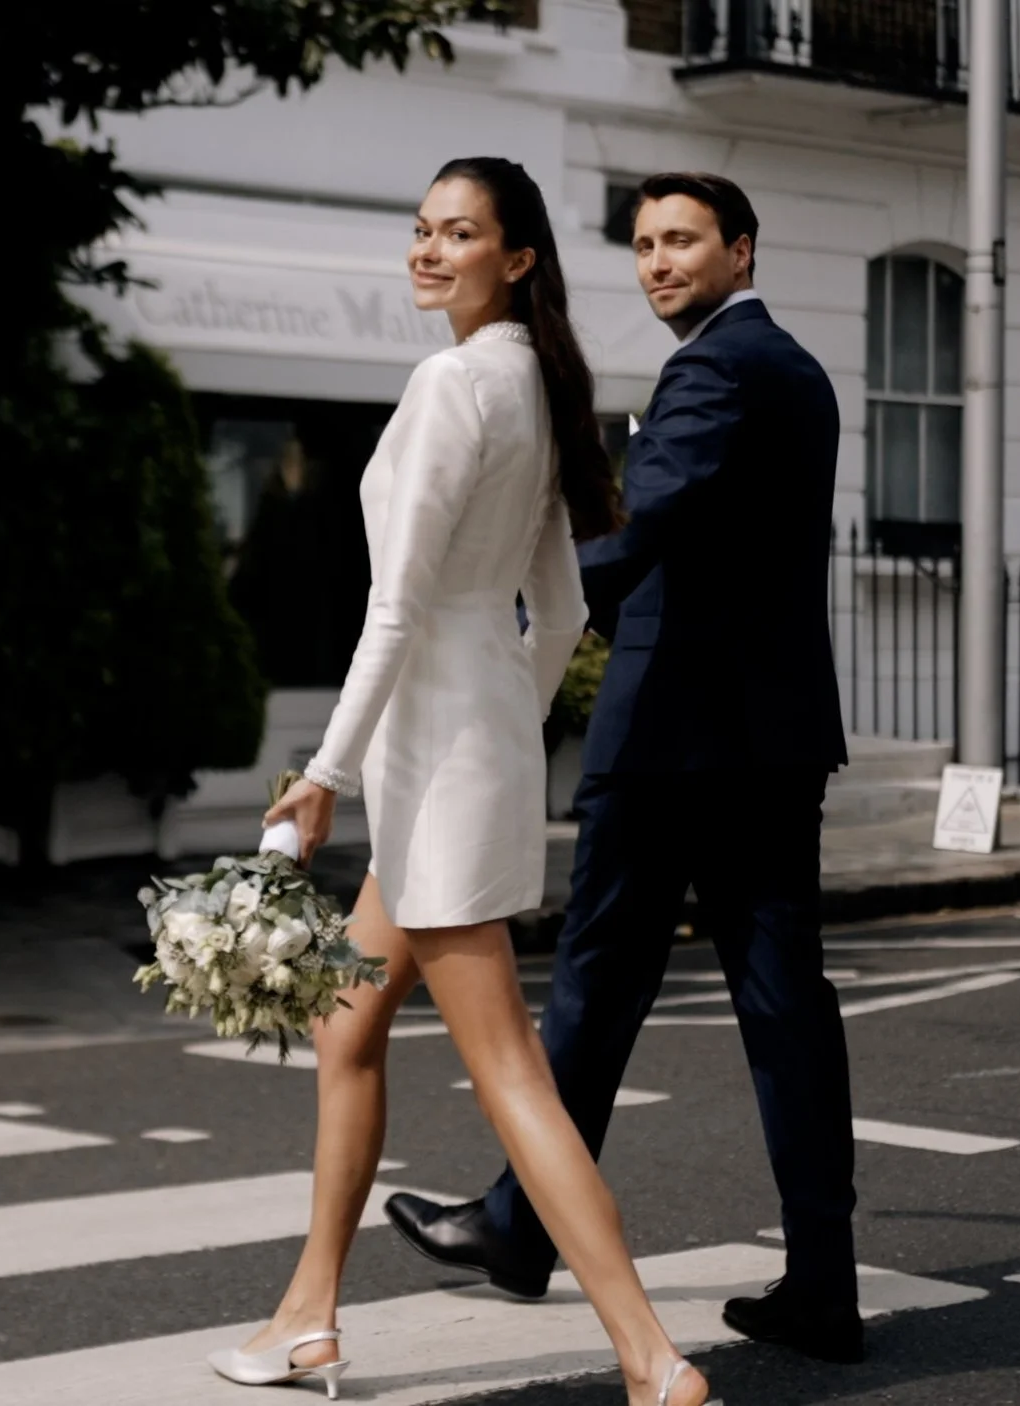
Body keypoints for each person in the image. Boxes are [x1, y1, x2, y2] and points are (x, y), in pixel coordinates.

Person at [207, 156, 720, 1406]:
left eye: (461, 233)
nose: (430, 251)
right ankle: (308, 1314)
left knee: (508, 1072)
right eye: (422, 229)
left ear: (518, 256)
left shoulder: (453, 382)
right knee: (345, 1024)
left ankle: (652, 1357)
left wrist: (323, 774)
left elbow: (396, 609)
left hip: (433, 764)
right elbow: (559, 611)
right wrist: (498, 725)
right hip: (462, 752)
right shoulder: (534, 388)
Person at [382, 172, 864, 1364]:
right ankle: (822, 1277)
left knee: (596, 986)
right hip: (770, 735)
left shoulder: (718, 368)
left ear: (741, 251)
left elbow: (630, 529)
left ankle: (518, 1223)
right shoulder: (793, 371)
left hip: (674, 742)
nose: (658, 262)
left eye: (683, 241)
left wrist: (495, 609)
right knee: (782, 1003)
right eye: (645, 244)